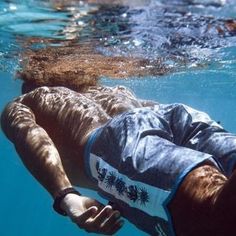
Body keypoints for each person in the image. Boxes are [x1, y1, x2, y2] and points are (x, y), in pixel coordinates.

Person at [1, 84, 236, 236]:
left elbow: (29, 134)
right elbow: (155, 116)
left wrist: (65, 196)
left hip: (114, 139)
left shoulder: (30, 98)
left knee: (214, 218)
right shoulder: (110, 90)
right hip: (170, 114)